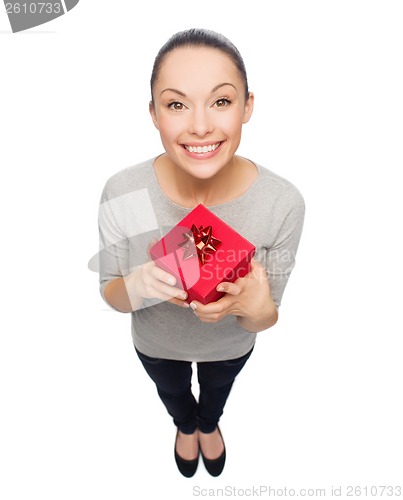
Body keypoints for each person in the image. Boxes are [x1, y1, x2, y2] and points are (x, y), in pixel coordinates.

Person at [96, 28, 305, 478]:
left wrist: (257, 306)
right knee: (172, 393)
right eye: (176, 104)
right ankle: (184, 425)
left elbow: (268, 319)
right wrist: (134, 286)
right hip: (155, 345)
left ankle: (208, 423)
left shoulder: (281, 202)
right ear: (153, 114)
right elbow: (110, 293)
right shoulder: (124, 191)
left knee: (218, 390)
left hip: (230, 346)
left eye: (221, 101)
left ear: (247, 106)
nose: (200, 125)